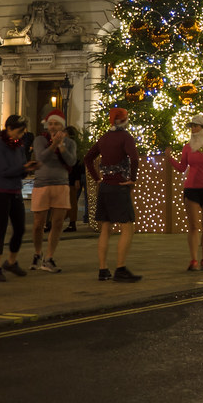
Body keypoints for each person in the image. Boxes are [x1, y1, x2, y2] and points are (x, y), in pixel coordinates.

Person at [84, 107, 141, 282]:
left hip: (105, 187)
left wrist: (97, 178)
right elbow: (134, 158)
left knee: (106, 228)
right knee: (127, 227)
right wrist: (132, 178)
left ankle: (103, 269)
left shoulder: (104, 138)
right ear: (124, 120)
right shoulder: (125, 137)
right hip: (119, 187)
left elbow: (88, 158)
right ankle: (120, 268)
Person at [167, 113, 203, 271]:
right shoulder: (188, 147)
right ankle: (193, 259)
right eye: (191, 126)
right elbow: (181, 168)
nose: (193, 129)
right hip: (191, 188)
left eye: (196, 126)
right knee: (193, 225)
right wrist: (170, 158)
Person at [0, 115, 37, 282]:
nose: (20, 135)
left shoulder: (19, 146)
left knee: (20, 228)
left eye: (22, 132)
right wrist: (22, 167)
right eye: (18, 131)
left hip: (15, 190)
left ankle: (11, 261)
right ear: (8, 129)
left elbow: (19, 169)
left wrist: (28, 168)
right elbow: (3, 170)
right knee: (1, 229)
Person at [30, 108, 76, 273]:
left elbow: (71, 161)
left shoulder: (70, 143)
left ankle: (49, 257)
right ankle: (37, 252)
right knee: (38, 224)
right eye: (51, 124)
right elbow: (41, 157)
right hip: (42, 184)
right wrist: (53, 145)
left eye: (57, 124)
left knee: (57, 223)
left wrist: (61, 146)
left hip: (61, 184)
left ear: (62, 126)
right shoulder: (40, 140)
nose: (53, 127)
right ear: (47, 126)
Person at [64, 125, 85, 232]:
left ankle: (72, 223)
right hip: (70, 176)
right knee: (70, 201)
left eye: (65, 133)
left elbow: (78, 163)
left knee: (72, 201)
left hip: (73, 177)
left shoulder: (73, 145)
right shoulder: (69, 145)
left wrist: (77, 179)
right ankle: (68, 220)